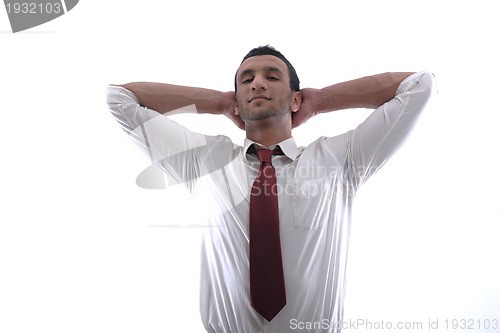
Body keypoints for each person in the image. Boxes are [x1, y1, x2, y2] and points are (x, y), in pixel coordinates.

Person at [106, 45, 434, 333]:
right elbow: (119, 99)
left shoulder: (340, 161)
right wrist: (220, 102)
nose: (257, 83)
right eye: (246, 79)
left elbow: (418, 85)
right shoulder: (205, 161)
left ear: (295, 99)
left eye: (272, 76)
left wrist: (320, 100)